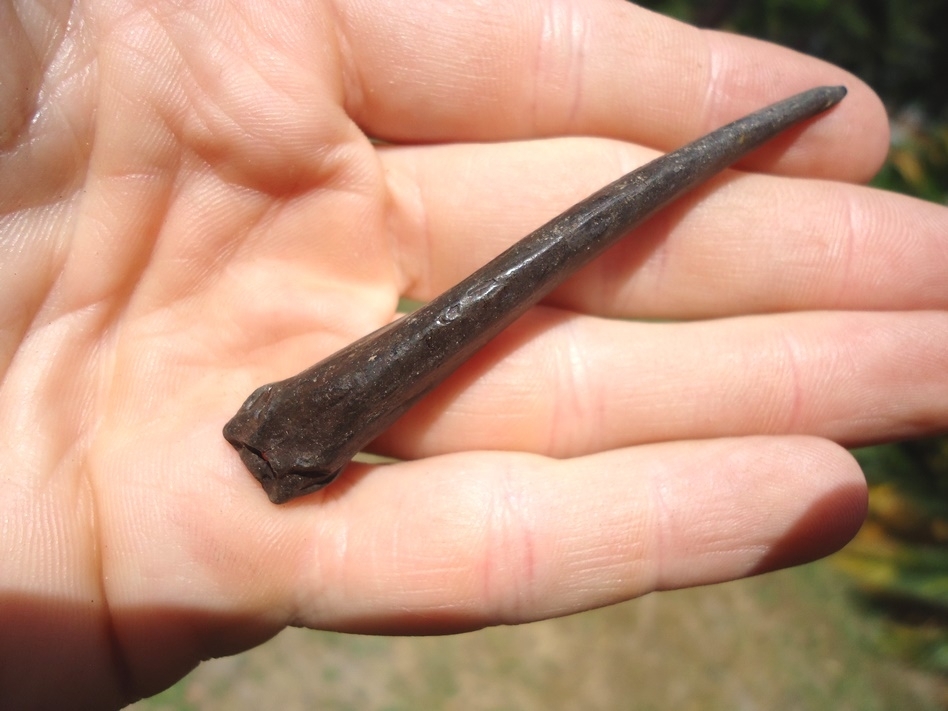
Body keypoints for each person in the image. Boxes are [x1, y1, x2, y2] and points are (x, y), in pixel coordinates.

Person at [1, 0, 945, 707]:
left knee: (496, 292)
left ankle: (295, 430)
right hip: (287, 433)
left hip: (287, 433)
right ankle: (293, 432)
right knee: (478, 306)